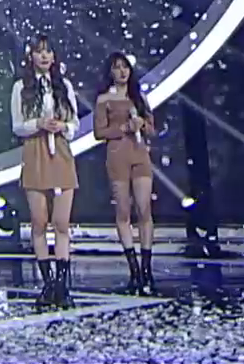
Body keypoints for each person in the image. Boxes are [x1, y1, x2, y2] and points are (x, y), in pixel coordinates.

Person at [11, 33, 79, 309]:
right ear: (31, 57)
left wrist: (62, 126)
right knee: (39, 222)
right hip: (35, 151)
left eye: (48, 51)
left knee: (61, 223)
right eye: (39, 52)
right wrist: (38, 123)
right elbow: (17, 126)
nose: (44, 56)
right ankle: (48, 284)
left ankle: (62, 286)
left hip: (60, 151)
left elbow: (74, 125)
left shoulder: (64, 86)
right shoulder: (21, 87)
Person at [94, 52, 156, 295]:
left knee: (144, 209)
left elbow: (152, 129)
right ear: (110, 72)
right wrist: (123, 128)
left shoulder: (139, 97)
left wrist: (142, 125)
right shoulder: (104, 100)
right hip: (117, 156)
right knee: (123, 211)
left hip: (140, 155)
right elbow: (99, 132)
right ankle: (134, 269)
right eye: (117, 67)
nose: (122, 72)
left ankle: (147, 267)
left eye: (125, 67)